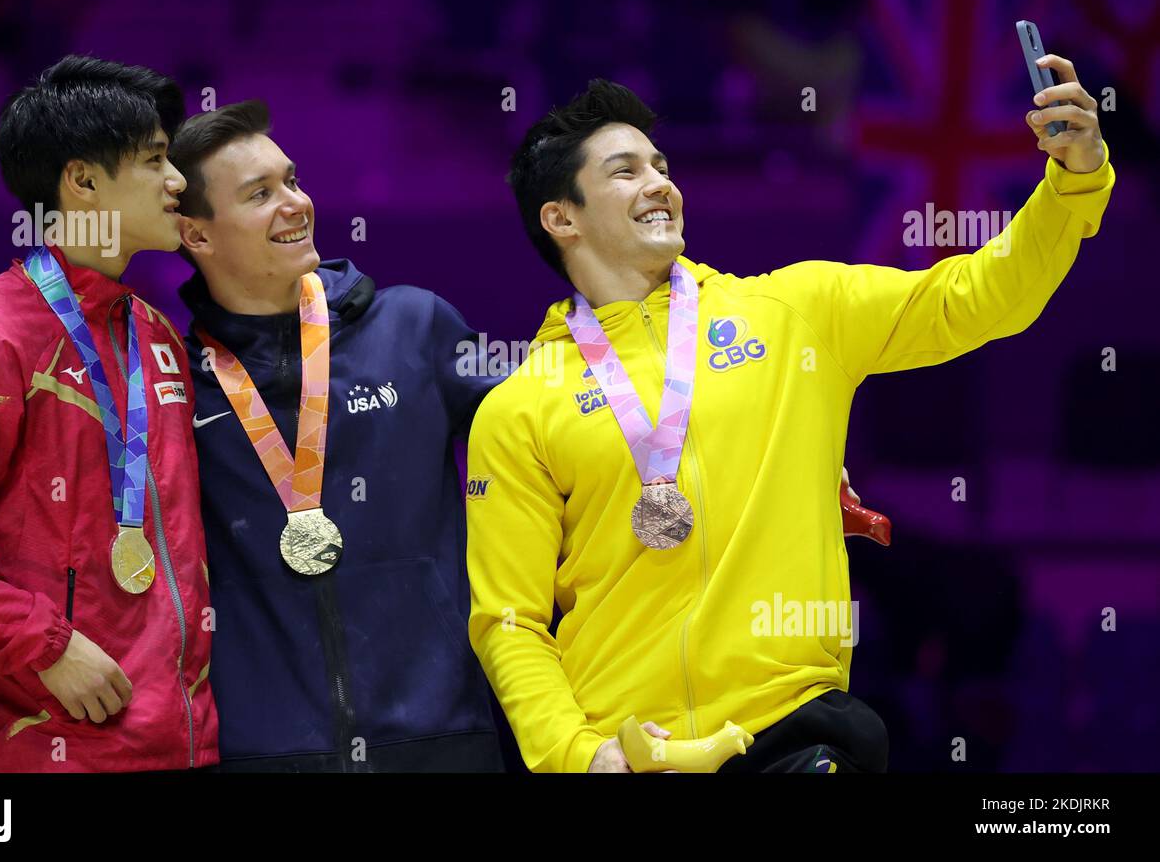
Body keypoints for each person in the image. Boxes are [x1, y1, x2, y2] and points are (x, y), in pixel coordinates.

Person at [465, 60, 1113, 772]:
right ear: (562, 218)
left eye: (662, 165)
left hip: (795, 730)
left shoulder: (797, 313)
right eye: (625, 172)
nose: (661, 184)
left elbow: (979, 296)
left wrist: (1072, 183)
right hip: (632, 751)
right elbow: (510, 621)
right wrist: (577, 755)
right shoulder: (518, 407)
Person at [0, 56, 219, 772]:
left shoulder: (154, 333)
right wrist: (44, 646)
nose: (179, 181)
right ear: (83, 181)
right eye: (155, 160)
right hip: (61, 750)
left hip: (188, 743)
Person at [167, 100, 504, 771]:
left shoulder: (416, 326)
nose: (295, 203)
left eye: (291, 181)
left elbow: (552, 444)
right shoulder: (177, 384)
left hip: (443, 735)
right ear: (197, 235)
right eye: (260, 194)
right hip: (266, 751)